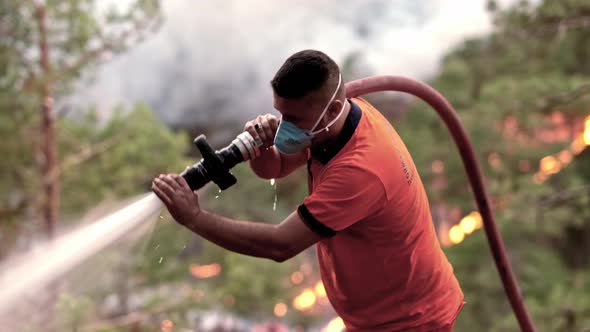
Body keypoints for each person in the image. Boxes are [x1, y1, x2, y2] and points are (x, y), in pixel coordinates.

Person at [152, 49, 464, 332]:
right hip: (378, 315)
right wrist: (261, 147)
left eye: (292, 119)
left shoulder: (361, 170)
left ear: (332, 110)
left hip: (410, 321)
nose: (283, 124)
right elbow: (275, 169)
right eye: (279, 113)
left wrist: (194, 218)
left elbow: (280, 246)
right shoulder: (330, 126)